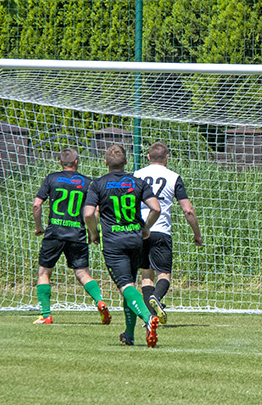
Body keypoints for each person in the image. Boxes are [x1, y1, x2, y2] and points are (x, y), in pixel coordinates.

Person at [83, 145, 162, 347]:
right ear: (126, 162)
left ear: (105, 162)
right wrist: (145, 228)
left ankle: (147, 318)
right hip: (135, 240)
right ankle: (129, 334)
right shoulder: (137, 182)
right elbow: (156, 208)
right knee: (130, 286)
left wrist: (93, 233)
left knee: (125, 285)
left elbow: (89, 214)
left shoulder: (98, 184)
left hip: (113, 242)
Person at [32, 148, 111, 325]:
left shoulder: (51, 178)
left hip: (54, 233)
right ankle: (100, 301)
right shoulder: (88, 183)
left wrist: (39, 227)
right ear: (77, 162)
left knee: (44, 273)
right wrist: (93, 233)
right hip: (77, 234)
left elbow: (37, 205)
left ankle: (46, 315)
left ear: (60, 162)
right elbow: (94, 211)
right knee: (83, 273)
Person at [134, 142, 202, 324]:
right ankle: (156, 297)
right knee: (163, 274)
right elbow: (188, 210)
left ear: (148, 157)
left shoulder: (137, 175)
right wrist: (197, 233)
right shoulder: (173, 177)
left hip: (140, 231)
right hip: (161, 230)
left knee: (146, 275)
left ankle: (151, 318)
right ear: (167, 158)